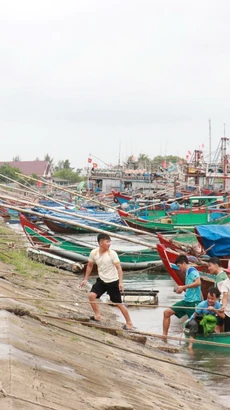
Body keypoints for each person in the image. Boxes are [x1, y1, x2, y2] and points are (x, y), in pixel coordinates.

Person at [80, 233, 134, 330]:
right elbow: (90, 265)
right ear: (101, 243)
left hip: (113, 281)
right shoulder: (94, 253)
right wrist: (85, 279)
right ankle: (97, 315)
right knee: (91, 295)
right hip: (101, 280)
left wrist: (121, 282)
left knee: (118, 304)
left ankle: (129, 323)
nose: (109, 244)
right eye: (107, 241)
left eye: (110, 241)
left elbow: (119, 268)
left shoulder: (112, 254)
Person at [163, 254, 202, 337]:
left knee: (195, 325)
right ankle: (164, 336)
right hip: (186, 301)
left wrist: (184, 287)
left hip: (193, 302)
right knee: (167, 312)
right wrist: (182, 289)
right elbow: (192, 287)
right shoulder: (187, 272)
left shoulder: (192, 270)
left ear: (184, 263)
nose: (178, 268)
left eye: (179, 266)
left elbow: (198, 283)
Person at [220, 266, 230, 331]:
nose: (228, 275)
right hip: (228, 309)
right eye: (228, 273)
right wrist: (223, 306)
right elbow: (225, 296)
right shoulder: (225, 282)